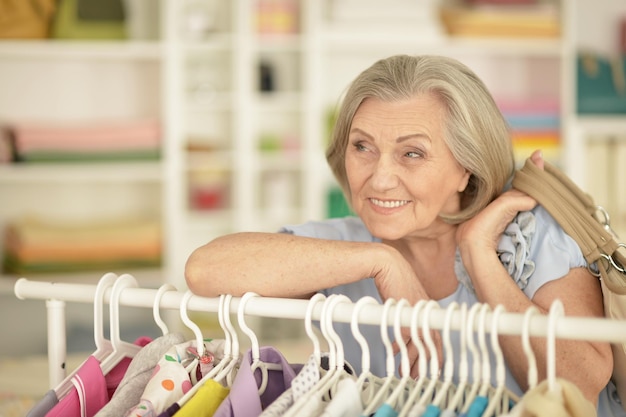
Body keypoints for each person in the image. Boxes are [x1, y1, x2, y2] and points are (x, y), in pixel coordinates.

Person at [185, 54, 620, 414]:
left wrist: (479, 256)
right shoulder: (342, 245)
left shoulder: (534, 237)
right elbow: (204, 270)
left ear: (466, 167)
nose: (379, 179)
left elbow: (578, 388)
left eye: (412, 153)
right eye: (362, 147)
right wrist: (381, 260)